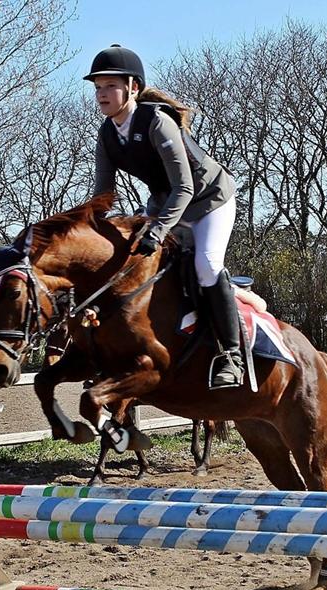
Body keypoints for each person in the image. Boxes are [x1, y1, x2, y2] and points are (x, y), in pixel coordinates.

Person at [85, 45, 243, 389]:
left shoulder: (157, 121)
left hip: (209, 200)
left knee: (206, 265)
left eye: (110, 86)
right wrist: (84, 230)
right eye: (97, 87)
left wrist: (156, 229)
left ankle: (231, 355)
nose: (101, 94)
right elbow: (103, 195)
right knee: (131, 263)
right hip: (165, 203)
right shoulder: (107, 134)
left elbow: (184, 187)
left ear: (133, 88)